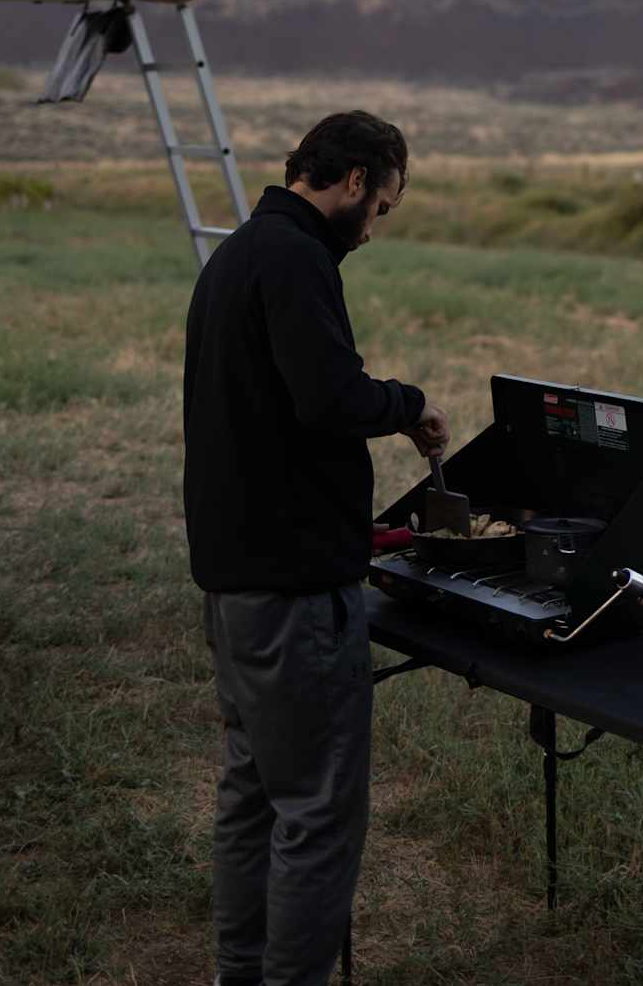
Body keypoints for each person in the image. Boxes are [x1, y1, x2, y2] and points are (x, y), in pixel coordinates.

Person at [183, 110, 450, 986]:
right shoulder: (297, 259)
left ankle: (242, 971)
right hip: (294, 592)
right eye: (380, 208)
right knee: (318, 813)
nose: (372, 230)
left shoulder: (239, 253)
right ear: (350, 181)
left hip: (238, 583)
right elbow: (327, 397)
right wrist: (408, 404)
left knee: (254, 792)